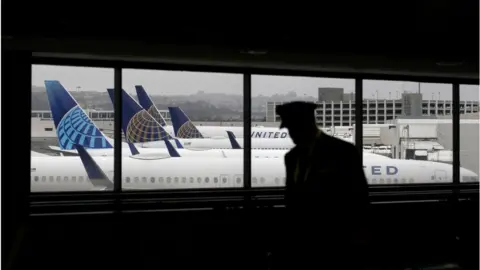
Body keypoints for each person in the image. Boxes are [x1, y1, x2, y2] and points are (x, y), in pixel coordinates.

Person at [273, 101, 370, 270]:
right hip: (303, 242)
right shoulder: (292, 157)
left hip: (336, 239)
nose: (291, 134)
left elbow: (359, 197)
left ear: (307, 124)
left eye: (293, 128)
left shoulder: (342, 151)